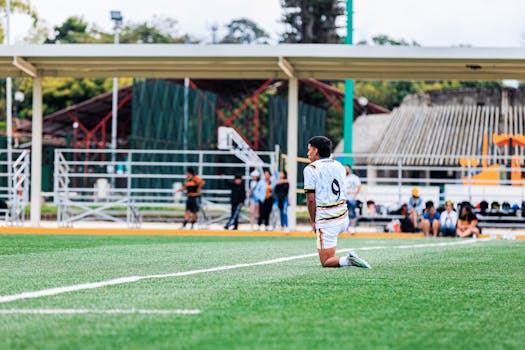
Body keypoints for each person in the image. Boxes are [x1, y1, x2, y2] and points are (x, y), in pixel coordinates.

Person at [303, 135, 371, 268]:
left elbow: (311, 199)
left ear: (316, 151)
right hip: (343, 216)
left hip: (328, 219)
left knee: (326, 261)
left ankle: (348, 260)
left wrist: (313, 220)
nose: (307, 153)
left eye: (309, 149)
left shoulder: (311, 169)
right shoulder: (339, 165)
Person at [344, 164, 361, 233]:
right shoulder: (342, 177)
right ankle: (345, 228)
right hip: (343, 198)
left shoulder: (354, 178)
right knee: (343, 214)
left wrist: (354, 195)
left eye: (346, 169)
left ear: (350, 169)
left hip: (351, 198)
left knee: (351, 213)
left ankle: (351, 227)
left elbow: (359, 187)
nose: (345, 170)